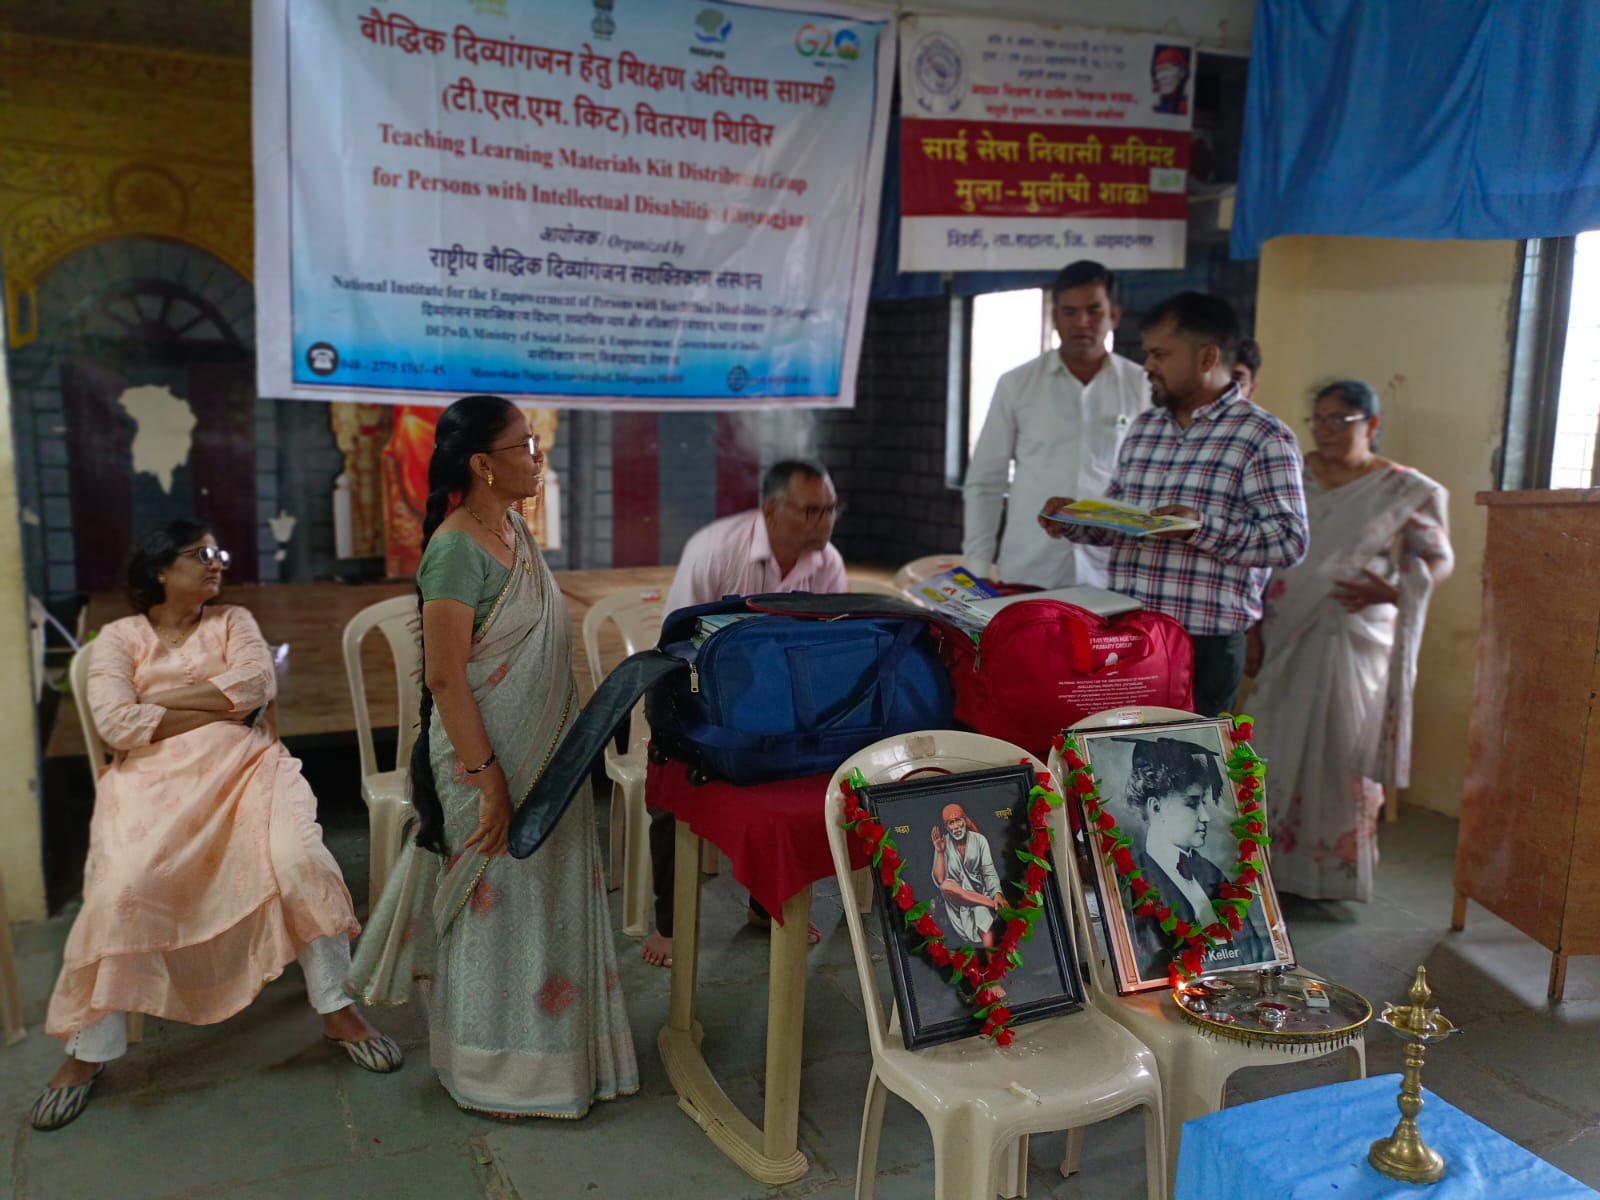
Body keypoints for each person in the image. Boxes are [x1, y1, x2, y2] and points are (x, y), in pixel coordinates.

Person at [32, 521, 399, 1132]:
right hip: (151, 787)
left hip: (248, 769)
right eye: (200, 554)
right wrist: (217, 703)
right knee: (120, 886)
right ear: (159, 569)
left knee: (300, 861)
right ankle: (88, 1051)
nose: (216, 562)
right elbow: (117, 725)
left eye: (218, 552)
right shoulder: (121, 637)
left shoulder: (234, 622)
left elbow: (256, 687)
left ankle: (337, 1007)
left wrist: (162, 705)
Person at [347, 395, 638, 1118]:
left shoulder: (512, 530)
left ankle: (559, 1063)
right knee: (496, 906)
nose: (539, 456)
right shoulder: (455, 550)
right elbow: (446, 677)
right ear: (482, 464)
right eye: (525, 445)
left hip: (542, 754)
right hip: (485, 760)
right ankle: (490, 1072)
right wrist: (489, 782)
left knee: (547, 900)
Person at [1039, 292, 1309, 716]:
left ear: (1207, 358)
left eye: (1160, 354)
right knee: (1121, 750)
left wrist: (1199, 528)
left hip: (1203, 646)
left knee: (1187, 757)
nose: (1147, 366)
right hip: (1130, 631)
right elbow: (1127, 520)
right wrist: (1075, 519)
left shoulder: (1262, 436)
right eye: (1148, 354)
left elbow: (1290, 541)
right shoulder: (1146, 428)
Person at [1246, 381, 1454, 902]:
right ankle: (1263, 869)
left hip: (1356, 634)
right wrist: (1251, 627)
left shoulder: (1401, 488)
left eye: (1340, 420)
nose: (1326, 430)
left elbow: (1437, 556)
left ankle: (1328, 873)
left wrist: (1396, 590)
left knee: (1342, 749)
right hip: (1285, 625)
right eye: (1318, 419)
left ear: (1372, 425)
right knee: (1272, 736)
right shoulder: (1292, 472)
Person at [645, 460, 846, 966]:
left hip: (776, 699)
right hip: (693, 692)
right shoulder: (715, 550)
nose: (823, 522)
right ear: (771, 510)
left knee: (793, 782)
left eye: (830, 510)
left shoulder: (828, 564)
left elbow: (826, 652)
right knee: (672, 787)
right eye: (810, 511)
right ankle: (668, 925)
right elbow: (677, 646)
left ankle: (765, 905)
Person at [963, 260, 1149, 589]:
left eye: (1093, 310)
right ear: (1055, 316)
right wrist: (978, 566)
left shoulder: (1142, 386)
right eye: (1069, 312)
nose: (1081, 322)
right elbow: (985, 482)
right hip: (1031, 564)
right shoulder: (1017, 384)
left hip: (1113, 568)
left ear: (1114, 316)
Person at [1120, 737, 1275, 980]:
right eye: (1192, 804)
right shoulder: (1133, 881)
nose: (1206, 816)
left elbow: (1252, 951)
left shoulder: (1210, 872)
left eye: (1203, 803)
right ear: (1156, 807)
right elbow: (1149, 967)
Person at [930, 804, 1003, 946]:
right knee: (946, 885)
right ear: (946, 827)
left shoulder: (979, 840)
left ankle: (993, 960)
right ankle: (990, 903)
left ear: (965, 820)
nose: (956, 827)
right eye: (951, 823)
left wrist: (997, 893)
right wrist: (939, 852)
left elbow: (988, 871)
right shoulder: (943, 843)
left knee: (983, 918)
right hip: (957, 900)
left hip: (979, 892)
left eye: (958, 820)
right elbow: (939, 880)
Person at [1151, 46, 1191, 115]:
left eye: (1166, 69)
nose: (1159, 77)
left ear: (1182, 71)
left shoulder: (1185, 106)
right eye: (1158, 71)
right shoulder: (1156, 105)